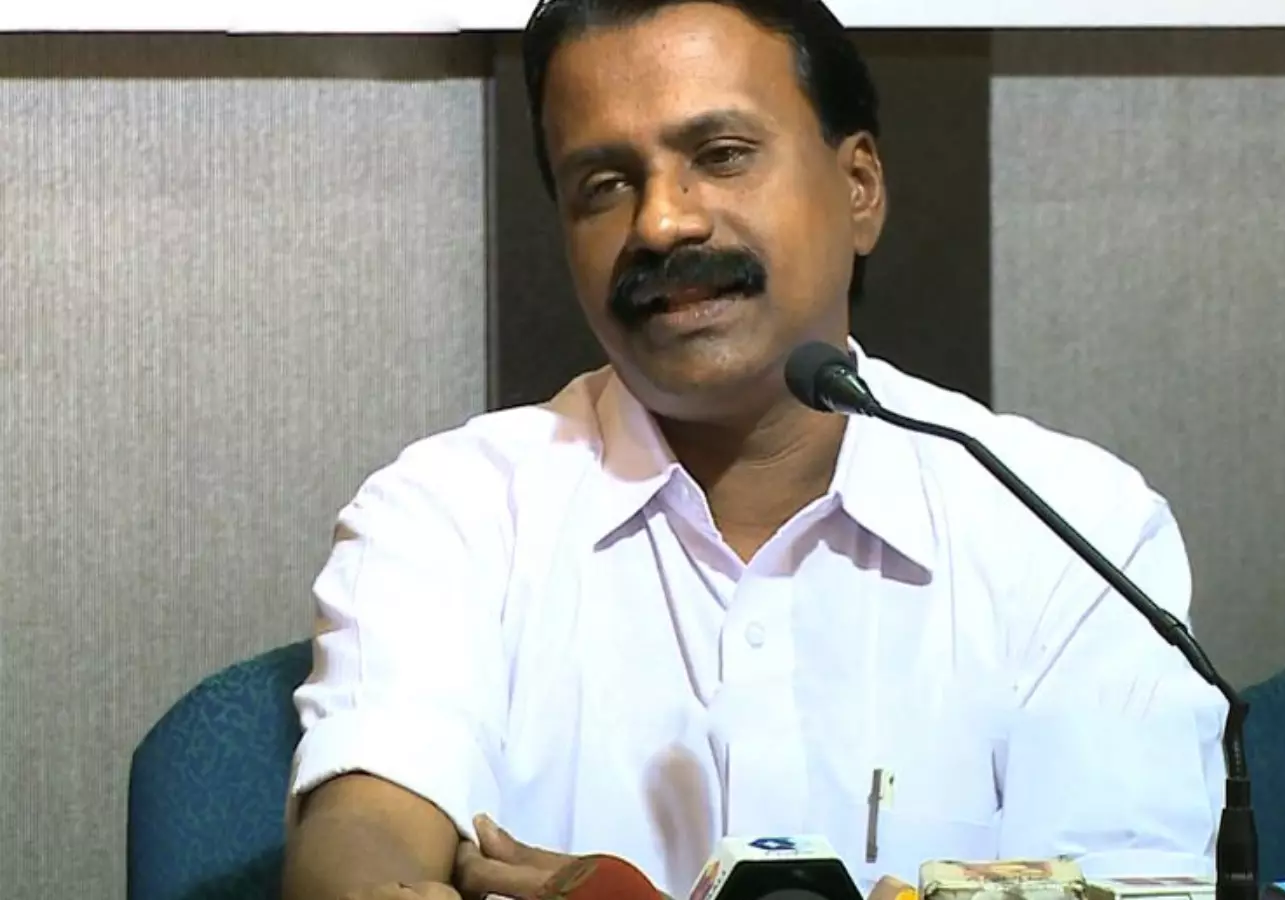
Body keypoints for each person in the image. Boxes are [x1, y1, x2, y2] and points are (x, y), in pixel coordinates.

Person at [280, 2, 1227, 899]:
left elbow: (1125, 881)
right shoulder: (449, 514)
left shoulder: (1072, 531)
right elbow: (365, 837)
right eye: (604, 185)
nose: (662, 222)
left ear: (859, 190)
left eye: (722, 156)